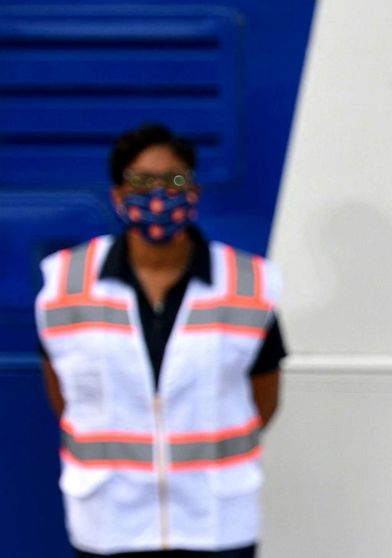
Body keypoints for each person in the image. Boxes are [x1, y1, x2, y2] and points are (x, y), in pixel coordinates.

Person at [35, 124, 287, 557]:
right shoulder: (63, 284)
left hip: (216, 522)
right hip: (110, 519)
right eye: (141, 182)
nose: (158, 195)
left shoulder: (248, 282)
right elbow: (63, 396)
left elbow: (264, 399)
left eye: (173, 180)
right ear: (117, 195)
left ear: (194, 191)